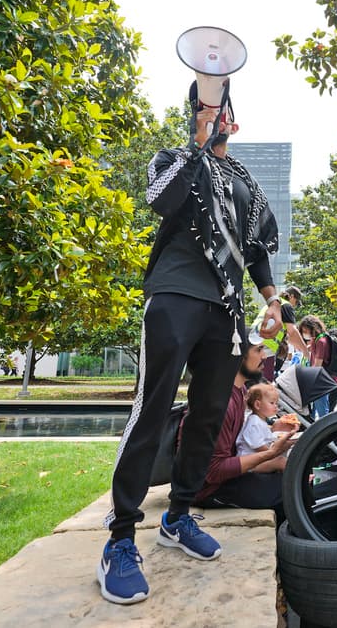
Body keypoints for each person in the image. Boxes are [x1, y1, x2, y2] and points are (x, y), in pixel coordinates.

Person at [96, 79, 284, 605]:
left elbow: (255, 250)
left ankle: (178, 516)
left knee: (207, 414)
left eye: (218, 107)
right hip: (174, 294)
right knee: (152, 409)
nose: (211, 113)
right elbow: (163, 200)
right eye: (201, 106)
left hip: (225, 311)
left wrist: (272, 300)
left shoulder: (246, 180)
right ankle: (120, 538)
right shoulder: (173, 159)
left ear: (234, 120)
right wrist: (196, 147)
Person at [194, 336, 297, 520]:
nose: (264, 356)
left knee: (293, 481)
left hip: (229, 476)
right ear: (238, 356)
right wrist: (271, 453)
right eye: (258, 350)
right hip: (210, 489)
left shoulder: (239, 391)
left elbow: (244, 435)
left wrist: (274, 428)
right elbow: (214, 471)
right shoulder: (222, 403)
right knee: (290, 491)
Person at [236, 383, 297, 468]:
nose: (276, 406)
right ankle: (296, 479)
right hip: (250, 463)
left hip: (258, 460)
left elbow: (266, 439)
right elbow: (259, 447)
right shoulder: (254, 422)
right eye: (272, 403)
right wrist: (276, 450)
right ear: (257, 405)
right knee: (280, 461)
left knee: (286, 452)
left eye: (276, 403)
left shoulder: (261, 420)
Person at [298, 314, 337, 417]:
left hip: (321, 379)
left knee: (322, 410)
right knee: (315, 408)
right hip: (323, 378)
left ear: (313, 328)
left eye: (305, 330)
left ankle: (325, 430)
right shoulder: (317, 340)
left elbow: (317, 365)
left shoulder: (321, 342)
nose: (304, 333)